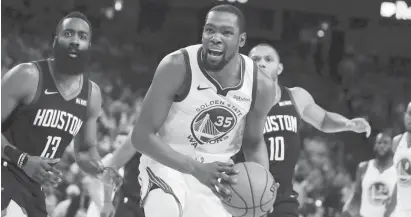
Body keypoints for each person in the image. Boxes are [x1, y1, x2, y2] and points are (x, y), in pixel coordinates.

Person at [107, 4, 278, 217]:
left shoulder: (260, 85)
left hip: (218, 171)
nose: (216, 37)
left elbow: (253, 142)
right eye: (210, 30)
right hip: (167, 161)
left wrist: (263, 184)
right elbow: (141, 136)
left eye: (226, 32)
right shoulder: (177, 66)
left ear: (241, 40)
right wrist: (196, 169)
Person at [1, 12, 122, 217]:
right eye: (68, 33)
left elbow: (84, 151)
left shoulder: (92, 95)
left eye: (82, 36)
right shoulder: (27, 76)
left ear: (89, 46)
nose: (75, 40)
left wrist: (101, 171)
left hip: (34, 187)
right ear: (55, 41)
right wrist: (22, 159)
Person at [234, 43, 371, 217]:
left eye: (268, 59)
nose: (261, 63)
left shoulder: (296, 96)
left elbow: (323, 119)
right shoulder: (237, 101)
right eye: (255, 59)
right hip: (248, 191)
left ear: (280, 67)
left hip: (283, 195)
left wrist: (347, 124)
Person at [341, 130, 396, 217]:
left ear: (391, 146)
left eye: (385, 143)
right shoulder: (364, 167)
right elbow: (356, 195)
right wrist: (347, 210)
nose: (382, 145)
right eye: (379, 143)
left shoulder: (397, 170)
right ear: (375, 146)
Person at [385, 102, 411, 217]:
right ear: (405, 115)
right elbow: (395, 179)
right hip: (400, 210)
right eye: (410, 113)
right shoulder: (397, 142)